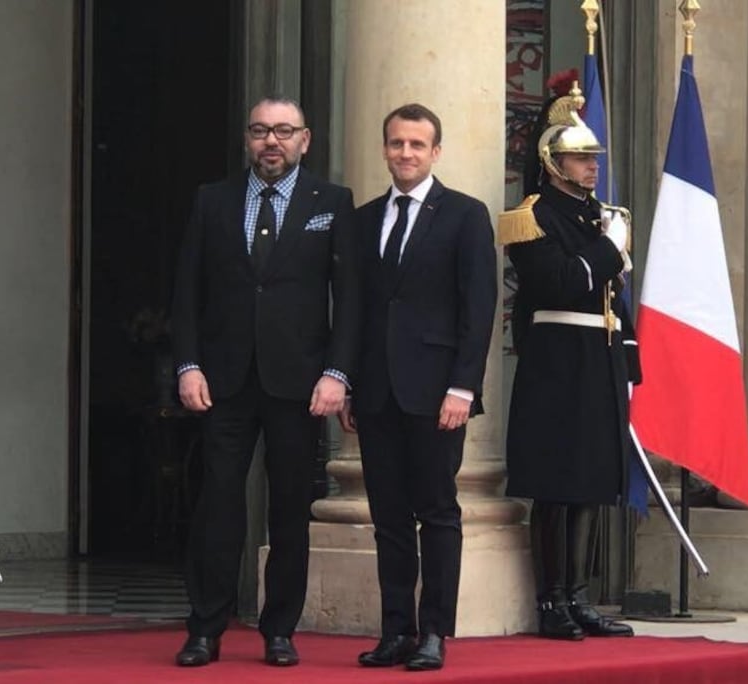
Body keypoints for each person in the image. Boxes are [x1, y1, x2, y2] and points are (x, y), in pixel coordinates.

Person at [170, 96, 360, 667]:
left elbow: (350, 301)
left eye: (283, 131)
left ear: (305, 139)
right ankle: (205, 627)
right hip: (224, 380)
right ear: (247, 139)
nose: (270, 142)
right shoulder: (213, 200)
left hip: (299, 383)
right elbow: (187, 292)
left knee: (289, 510)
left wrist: (337, 373)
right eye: (259, 131)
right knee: (218, 504)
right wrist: (187, 363)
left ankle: (280, 628)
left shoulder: (333, 202)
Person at [344, 104, 497, 671]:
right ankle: (395, 631)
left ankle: (434, 631)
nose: (405, 153)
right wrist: (351, 385)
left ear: (435, 152)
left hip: (438, 395)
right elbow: (356, 311)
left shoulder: (464, 215)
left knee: (436, 512)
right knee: (387, 516)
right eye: (395, 143)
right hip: (378, 393)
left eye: (416, 144)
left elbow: (478, 309)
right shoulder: (361, 221)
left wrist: (463, 387)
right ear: (384, 149)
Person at [500, 81, 636, 640]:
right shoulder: (530, 217)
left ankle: (579, 596)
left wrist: (629, 365)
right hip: (555, 362)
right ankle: (551, 600)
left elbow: (616, 304)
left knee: (590, 483)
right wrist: (611, 248)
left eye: (592, 157)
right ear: (552, 161)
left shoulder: (600, 216)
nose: (591, 166)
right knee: (555, 485)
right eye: (580, 157)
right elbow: (561, 282)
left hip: (598, 359)